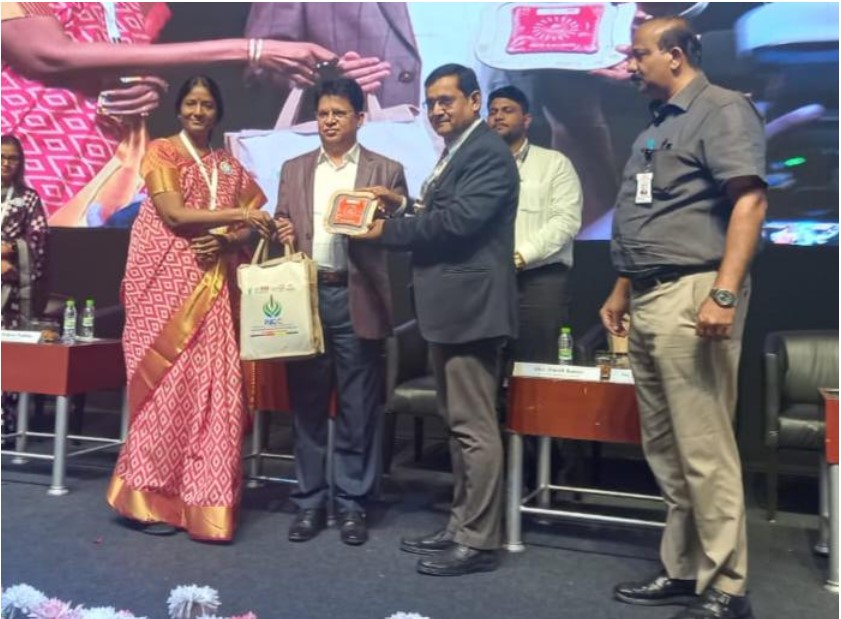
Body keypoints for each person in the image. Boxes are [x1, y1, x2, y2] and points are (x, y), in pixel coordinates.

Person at [599, 18, 766, 619]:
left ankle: (727, 587)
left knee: (703, 446)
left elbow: (750, 200)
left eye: (638, 55)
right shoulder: (658, 124)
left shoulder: (721, 108)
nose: (630, 65)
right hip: (648, 294)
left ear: (674, 55)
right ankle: (684, 568)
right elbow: (653, 217)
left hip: (694, 292)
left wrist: (723, 293)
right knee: (667, 448)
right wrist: (622, 289)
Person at [358, 64, 519, 576]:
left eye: (446, 100)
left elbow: (458, 223)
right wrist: (404, 204)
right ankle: (461, 525)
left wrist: (386, 231)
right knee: (457, 425)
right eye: (430, 103)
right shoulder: (460, 151)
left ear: (474, 101)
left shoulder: (487, 152)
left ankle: (478, 541)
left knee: (474, 427)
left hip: (471, 310)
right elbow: (442, 209)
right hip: (450, 308)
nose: (436, 110)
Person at [106, 76, 275, 542]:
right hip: (163, 290)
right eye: (191, 104)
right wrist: (239, 217)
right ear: (179, 109)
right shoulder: (162, 151)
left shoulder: (229, 167)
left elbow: (252, 229)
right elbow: (175, 215)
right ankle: (148, 500)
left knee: (214, 393)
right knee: (165, 392)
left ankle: (203, 501)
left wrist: (228, 239)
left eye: (207, 105)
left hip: (214, 287)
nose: (199, 112)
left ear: (217, 113)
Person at [1, 2, 334, 225]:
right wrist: (249, 50)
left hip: (117, 154)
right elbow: (47, 54)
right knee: (26, 270)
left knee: (97, 284)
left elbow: (128, 57)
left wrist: (149, 83)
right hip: (35, 147)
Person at [273, 78, 408, 547]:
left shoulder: (385, 170)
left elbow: (402, 229)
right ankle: (309, 502)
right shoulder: (293, 168)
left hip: (358, 295)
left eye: (339, 113)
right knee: (307, 405)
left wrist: (389, 212)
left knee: (357, 407)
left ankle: (351, 504)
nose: (329, 121)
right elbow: (282, 219)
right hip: (308, 297)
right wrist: (281, 227)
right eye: (323, 113)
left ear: (359, 118)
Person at [487, 85, 582, 363]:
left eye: (507, 110)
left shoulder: (554, 163)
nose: (498, 117)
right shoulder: (478, 168)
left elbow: (565, 222)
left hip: (539, 280)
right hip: (488, 280)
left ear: (526, 120)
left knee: (535, 366)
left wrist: (519, 257)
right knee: (488, 365)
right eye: (493, 112)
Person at [1, 133, 49, 441]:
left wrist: (12, 253)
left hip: (9, 294)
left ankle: (4, 424)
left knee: (5, 358)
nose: (7, 163)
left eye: (13, 158)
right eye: (2, 157)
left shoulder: (28, 198)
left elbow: (38, 241)